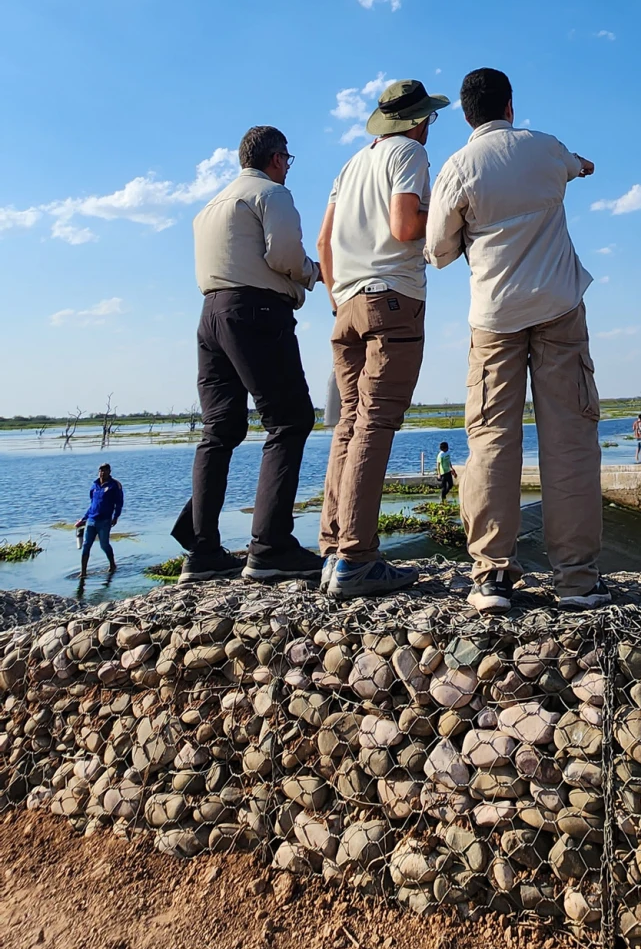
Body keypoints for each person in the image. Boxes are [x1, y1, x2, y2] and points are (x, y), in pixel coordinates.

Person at [426, 66, 608, 613]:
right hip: (559, 307)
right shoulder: (546, 148)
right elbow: (581, 166)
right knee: (570, 441)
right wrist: (577, 168)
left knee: (491, 441)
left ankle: (491, 575)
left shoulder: (458, 167)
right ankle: (576, 578)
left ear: (465, 115)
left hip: (494, 317)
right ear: (511, 105)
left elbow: (437, 250)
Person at [315, 80, 448, 596]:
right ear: (420, 121)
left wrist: (336, 299)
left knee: (349, 422)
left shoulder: (349, 166)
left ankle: (332, 548)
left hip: (345, 304)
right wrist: (442, 208)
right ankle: (356, 558)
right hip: (391, 300)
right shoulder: (409, 152)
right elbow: (404, 226)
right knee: (376, 423)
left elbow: (324, 241)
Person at [173, 126, 322, 584]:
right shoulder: (272, 195)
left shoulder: (210, 207)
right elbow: (283, 256)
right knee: (290, 420)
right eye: (287, 159)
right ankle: (271, 546)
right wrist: (314, 273)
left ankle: (202, 551)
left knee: (219, 429)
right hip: (256, 312)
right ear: (277, 158)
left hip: (210, 314)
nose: (287, 168)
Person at [77, 462, 122, 578]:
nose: (102, 473)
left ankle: (112, 564)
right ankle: (83, 572)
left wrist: (116, 517)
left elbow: (119, 503)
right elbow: (92, 504)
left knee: (104, 545)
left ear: (109, 472)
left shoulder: (114, 485)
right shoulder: (94, 485)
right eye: (101, 470)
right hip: (91, 520)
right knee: (86, 545)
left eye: (105, 470)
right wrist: (84, 518)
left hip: (105, 521)